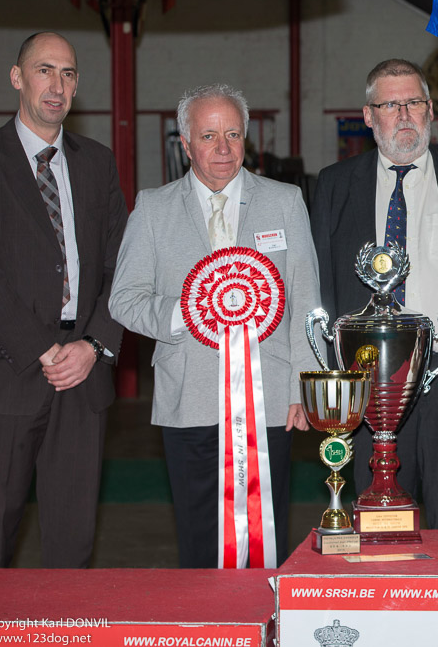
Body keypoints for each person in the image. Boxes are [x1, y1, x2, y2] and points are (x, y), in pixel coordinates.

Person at [109, 84, 322, 568]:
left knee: (266, 537)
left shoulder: (286, 201)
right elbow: (124, 299)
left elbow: (307, 298)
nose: (222, 148)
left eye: (232, 134)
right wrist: (188, 311)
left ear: (246, 138)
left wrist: (302, 386)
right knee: (199, 542)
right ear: (185, 144)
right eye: (208, 136)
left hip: (270, 402)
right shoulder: (153, 207)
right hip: (189, 398)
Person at [311, 59, 438, 530]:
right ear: (368, 115)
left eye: (413, 103)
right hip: (367, 388)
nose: (403, 115)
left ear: (431, 110)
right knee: (377, 532)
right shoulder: (334, 186)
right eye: (389, 104)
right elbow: (320, 287)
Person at [0, 32, 128, 568]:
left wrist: (92, 344)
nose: (57, 85)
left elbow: (121, 267)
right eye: (45, 70)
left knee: (72, 542)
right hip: (5, 373)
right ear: (17, 77)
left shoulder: (97, 163)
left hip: (84, 373)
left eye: (68, 74)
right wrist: (43, 347)